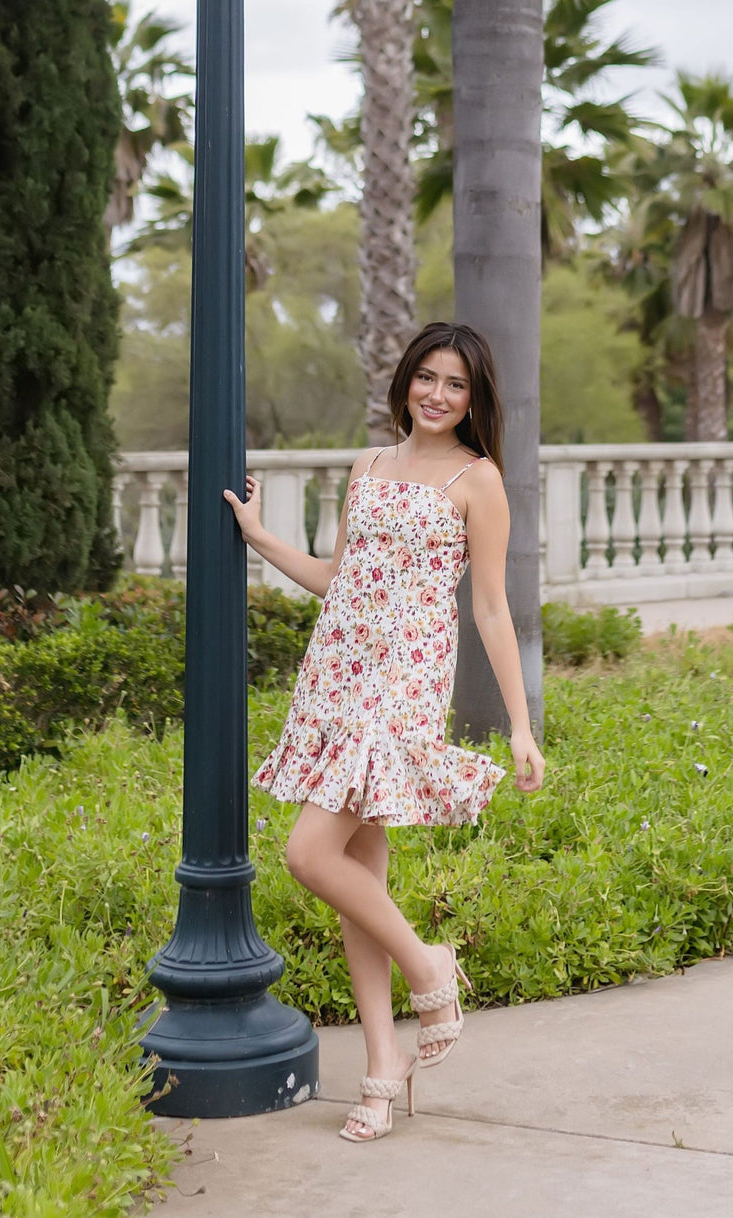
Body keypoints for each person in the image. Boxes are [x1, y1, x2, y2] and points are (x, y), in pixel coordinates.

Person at [224, 321, 545, 1143]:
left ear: (475, 399)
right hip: (336, 677)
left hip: (401, 688)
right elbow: (339, 578)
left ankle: (430, 965)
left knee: (308, 855)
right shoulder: (366, 466)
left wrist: (518, 726)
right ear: (405, 381)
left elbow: (489, 608)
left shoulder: (479, 480)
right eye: (427, 378)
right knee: (356, 874)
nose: (438, 395)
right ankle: (382, 1069)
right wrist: (261, 541)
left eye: (456, 385)